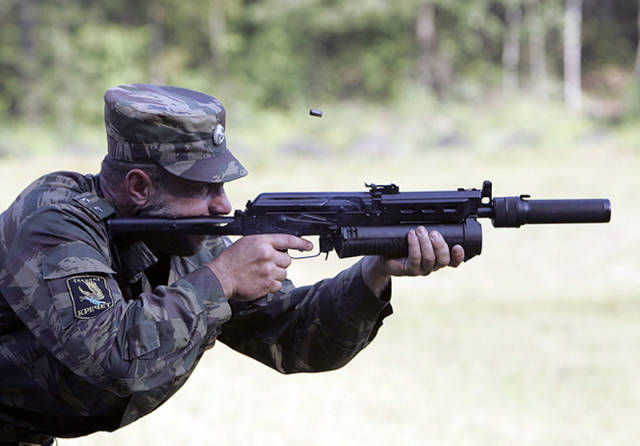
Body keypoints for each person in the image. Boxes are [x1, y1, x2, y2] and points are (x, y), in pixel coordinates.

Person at [0, 84, 465, 443]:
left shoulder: (184, 240)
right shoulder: (54, 222)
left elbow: (297, 336)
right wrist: (222, 279)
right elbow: (112, 355)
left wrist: (373, 273)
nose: (223, 205)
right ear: (140, 187)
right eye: (204, 188)